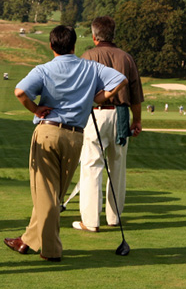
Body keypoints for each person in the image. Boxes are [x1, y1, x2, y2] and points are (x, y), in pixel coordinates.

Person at [4, 25, 127, 262]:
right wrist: (98, 98)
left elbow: (20, 92)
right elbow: (120, 79)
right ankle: (28, 240)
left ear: (51, 46)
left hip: (48, 132)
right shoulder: (91, 67)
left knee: (46, 193)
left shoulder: (44, 69)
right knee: (53, 193)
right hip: (75, 137)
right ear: (74, 46)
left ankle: (51, 250)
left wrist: (36, 109)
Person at [72, 16, 144, 233]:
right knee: (117, 167)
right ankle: (114, 218)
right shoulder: (127, 58)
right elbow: (135, 96)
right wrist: (137, 120)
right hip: (121, 115)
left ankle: (91, 221)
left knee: (92, 166)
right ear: (113, 35)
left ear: (94, 36)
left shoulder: (87, 56)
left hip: (96, 114)